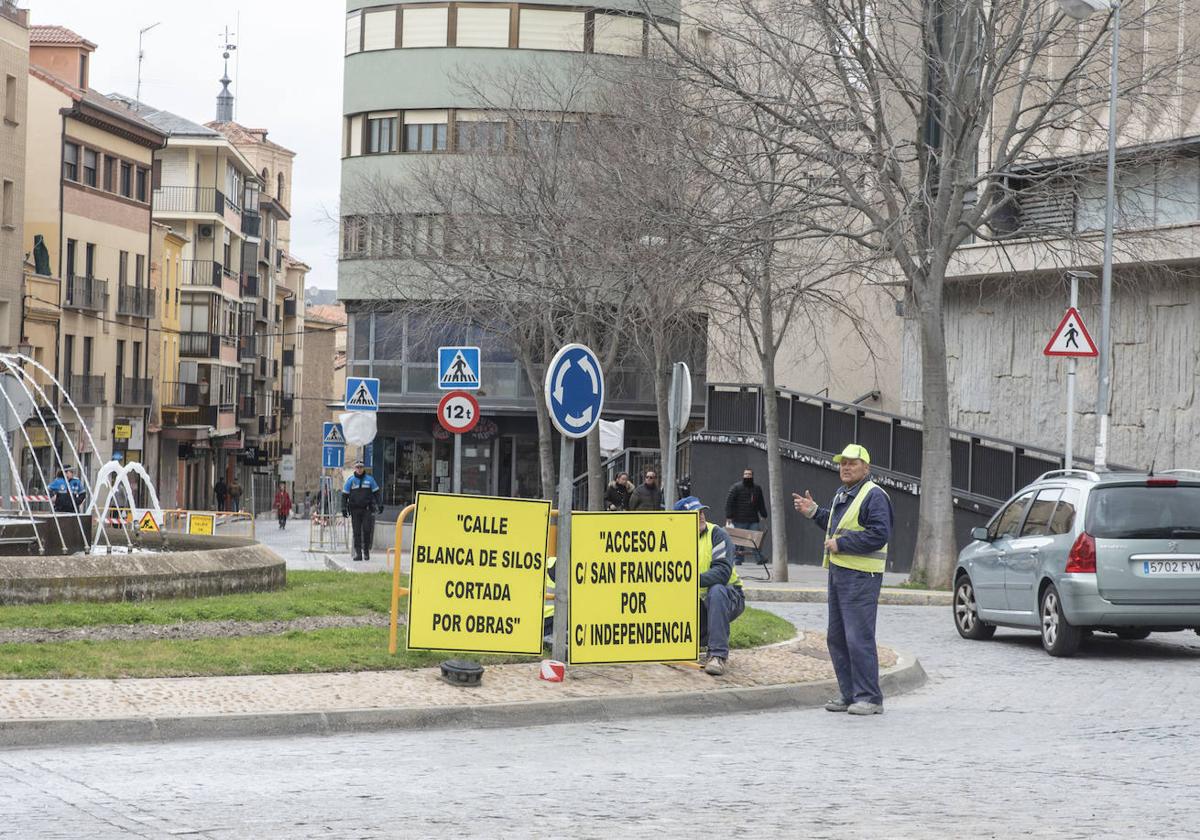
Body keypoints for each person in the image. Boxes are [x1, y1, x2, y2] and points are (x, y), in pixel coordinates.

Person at [793, 443, 894, 716]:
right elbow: (835, 527)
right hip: (840, 574)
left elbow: (878, 534)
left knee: (858, 637)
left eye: (852, 463)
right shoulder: (845, 493)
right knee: (837, 637)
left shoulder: (874, 495)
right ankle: (849, 693)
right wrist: (814, 511)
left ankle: (870, 697)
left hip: (861, 576)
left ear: (866, 467)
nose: (846, 467)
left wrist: (843, 544)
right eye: (842, 463)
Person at [674, 495, 744, 676]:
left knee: (717, 590)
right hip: (697, 602)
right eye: (695, 513)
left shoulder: (717, 534)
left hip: (729, 596)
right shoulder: (674, 540)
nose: (701, 516)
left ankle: (717, 656)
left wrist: (688, 580)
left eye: (702, 511)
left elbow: (722, 573)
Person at [725, 467, 768, 565]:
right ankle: (738, 559)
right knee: (739, 541)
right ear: (743, 475)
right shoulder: (736, 487)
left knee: (756, 539)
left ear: (752, 476)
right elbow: (729, 502)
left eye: (749, 474)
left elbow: (761, 502)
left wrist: (764, 514)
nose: (747, 476)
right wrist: (729, 516)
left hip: (753, 519)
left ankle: (759, 558)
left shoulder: (757, 488)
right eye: (745, 474)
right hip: (739, 519)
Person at [342, 461, 382, 562]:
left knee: (367, 530)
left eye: (361, 467)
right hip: (355, 510)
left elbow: (377, 493)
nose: (359, 469)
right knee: (356, 532)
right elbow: (344, 496)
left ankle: (366, 552)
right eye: (357, 467)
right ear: (355, 468)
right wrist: (343, 508)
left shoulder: (370, 480)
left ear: (363, 468)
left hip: (367, 509)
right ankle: (358, 554)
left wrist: (380, 504)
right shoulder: (350, 480)